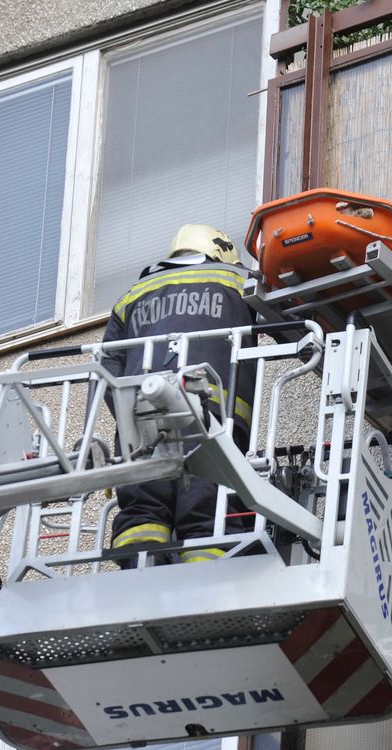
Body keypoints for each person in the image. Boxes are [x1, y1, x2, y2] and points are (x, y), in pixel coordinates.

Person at [103, 224, 256, 565]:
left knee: (143, 499)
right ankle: (206, 566)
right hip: (212, 411)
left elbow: (107, 366)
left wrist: (126, 411)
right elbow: (285, 315)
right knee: (207, 498)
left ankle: (139, 559)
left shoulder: (132, 294)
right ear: (221, 250)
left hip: (141, 415)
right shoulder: (238, 280)